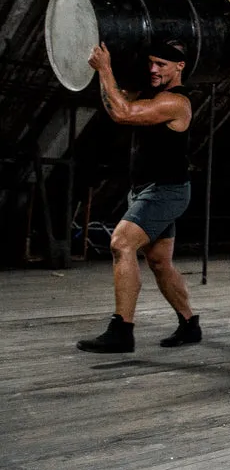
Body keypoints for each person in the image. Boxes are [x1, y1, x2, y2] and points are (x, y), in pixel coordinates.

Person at [77, 41, 202, 353]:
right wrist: (111, 71)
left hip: (166, 191)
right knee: (159, 262)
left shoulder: (176, 102)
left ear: (179, 67)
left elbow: (122, 112)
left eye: (161, 64)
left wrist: (105, 69)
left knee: (121, 244)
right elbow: (116, 100)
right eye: (151, 63)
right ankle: (190, 324)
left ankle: (122, 330)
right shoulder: (151, 93)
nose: (153, 69)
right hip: (145, 190)